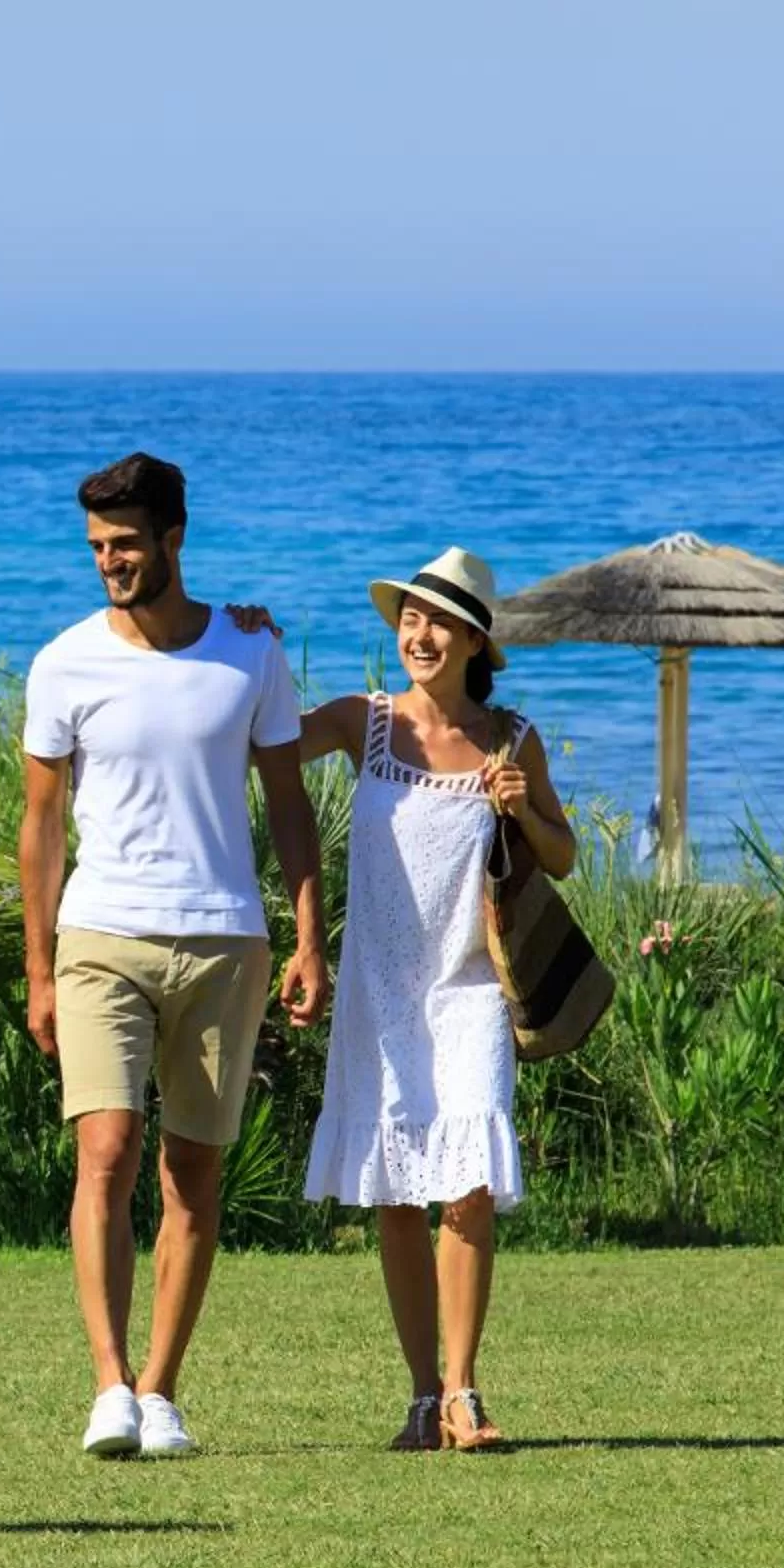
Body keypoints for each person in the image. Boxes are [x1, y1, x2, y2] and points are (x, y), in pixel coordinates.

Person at [19, 453, 328, 1459]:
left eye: (126, 543)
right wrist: (37, 969)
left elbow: (288, 802)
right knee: (106, 1151)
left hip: (225, 938)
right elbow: (40, 825)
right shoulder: (63, 662)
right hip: (100, 935)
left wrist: (309, 936)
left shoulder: (250, 651)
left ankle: (161, 1391)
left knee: (193, 1170)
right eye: (97, 546)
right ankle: (109, 1384)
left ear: (174, 539)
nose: (110, 561)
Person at [295, 548, 574, 1452]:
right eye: (410, 619)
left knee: (470, 1186)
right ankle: (423, 1398)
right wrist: (246, 643)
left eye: (440, 623)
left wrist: (524, 808)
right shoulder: (365, 721)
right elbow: (266, 737)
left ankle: (462, 1390)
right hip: (379, 989)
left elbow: (563, 855)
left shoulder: (512, 737)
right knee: (396, 1190)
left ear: (475, 641)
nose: (419, 635)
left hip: (472, 988)